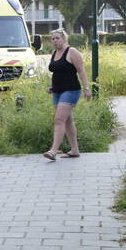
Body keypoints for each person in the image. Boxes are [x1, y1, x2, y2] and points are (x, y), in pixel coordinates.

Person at [43, 28, 91, 160]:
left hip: (71, 90)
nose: (54, 41)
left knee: (59, 119)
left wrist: (86, 88)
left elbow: (81, 71)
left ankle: (53, 151)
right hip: (57, 91)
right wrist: (51, 87)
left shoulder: (72, 52)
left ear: (64, 39)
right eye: (52, 39)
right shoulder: (54, 53)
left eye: (57, 38)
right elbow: (57, 72)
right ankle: (75, 150)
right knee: (68, 121)